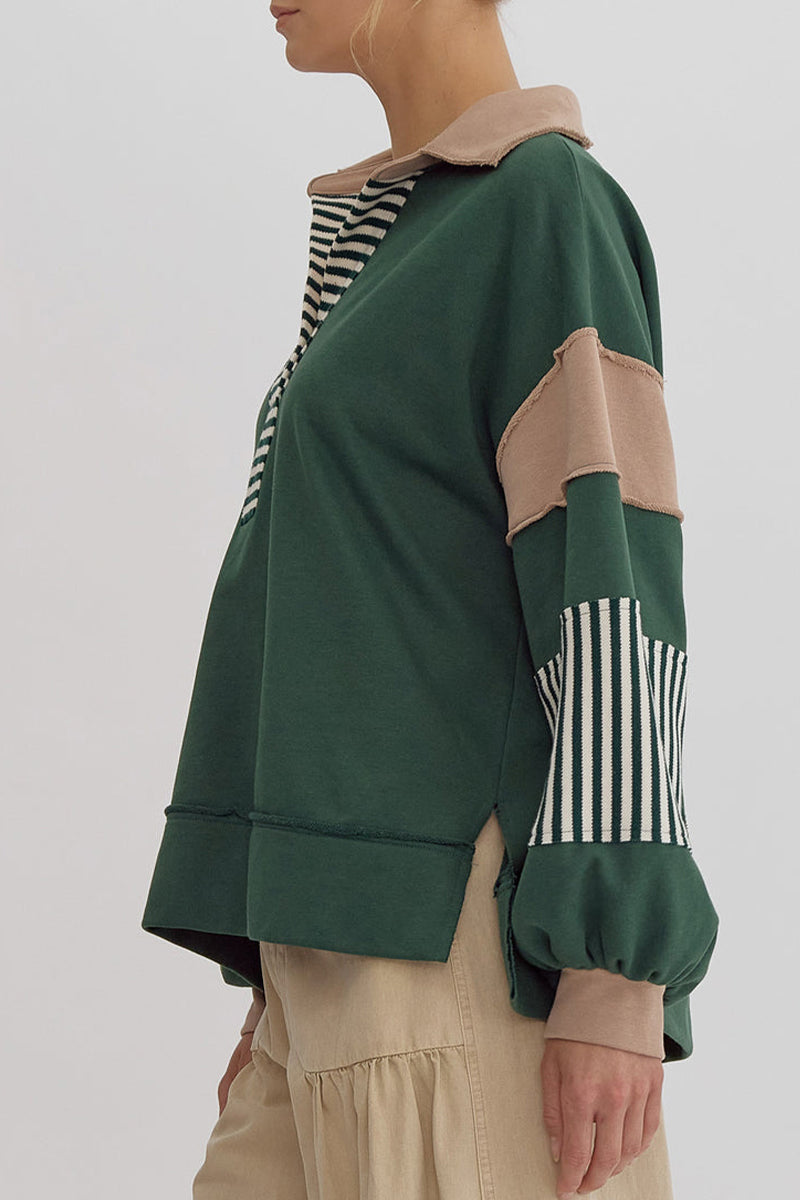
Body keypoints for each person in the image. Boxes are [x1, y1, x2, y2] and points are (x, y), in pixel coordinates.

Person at [140, 1, 720, 1197]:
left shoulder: (540, 202)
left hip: (453, 946)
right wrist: (280, 970)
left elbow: (606, 581)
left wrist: (613, 970)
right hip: (334, 955)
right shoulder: (401, 235)